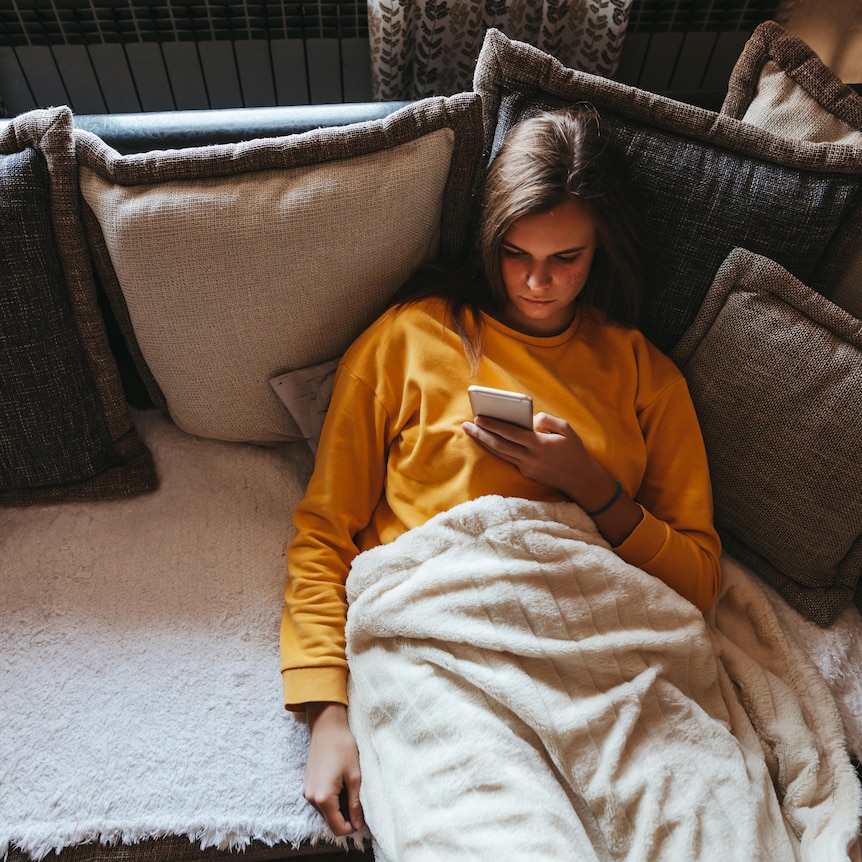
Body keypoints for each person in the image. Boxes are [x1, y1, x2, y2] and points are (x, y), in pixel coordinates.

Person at [280, 105, 722, 838]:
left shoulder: (646, 376)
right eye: (516, 254)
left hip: (603, 651)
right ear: (490, 239)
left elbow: (700, 583)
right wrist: (327, 712)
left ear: (600, 251)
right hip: (443, 638)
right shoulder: (406, 340)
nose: (537, 283)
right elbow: (324, 533)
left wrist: (594, 488)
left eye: (565, 260)